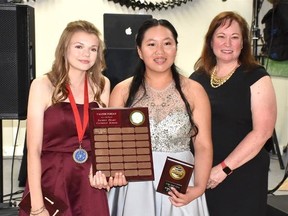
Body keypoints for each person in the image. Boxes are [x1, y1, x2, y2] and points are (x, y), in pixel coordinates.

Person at [19, 20, 126, 216]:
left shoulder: (102, 84)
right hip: (51, 180)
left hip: (88, 185)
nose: (86, 54)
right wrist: (37, 206)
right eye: (79, 46)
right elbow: (33, 150)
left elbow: (102, 141)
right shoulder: (42, 85)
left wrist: (105, 169)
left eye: (93, 49)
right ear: (64, 49)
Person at [107, 18, 213, 216]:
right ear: (139, 51)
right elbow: (113, 146)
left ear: (175, 48)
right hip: (134, 186)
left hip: (179, 185)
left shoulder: (195, 91)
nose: (160, 52)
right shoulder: (122, 91)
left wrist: (198, 188)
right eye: (151, 44)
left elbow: (203, 145)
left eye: (167, 43)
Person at [190, 11, 277, 216]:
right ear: (211, 41)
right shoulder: (197, 77)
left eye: (235, 37)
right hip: (203, 171)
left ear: (243, 43)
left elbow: (262, 133)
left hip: (241, 171)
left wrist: (224, 169)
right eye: (221, 36)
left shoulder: (257, 77)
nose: (227, 43)